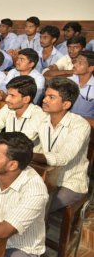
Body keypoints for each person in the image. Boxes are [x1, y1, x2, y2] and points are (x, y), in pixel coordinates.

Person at [33, 78, 91, 213]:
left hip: (69, 182)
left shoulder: (79, 125)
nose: (44, 100)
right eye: (46, 95)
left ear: (66, 104)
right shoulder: (42, 118)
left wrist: (27, 154)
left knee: (38, 207)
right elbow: (26, 140)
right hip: (46, 176)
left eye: (51, 97)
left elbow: (63, 157)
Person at [0, 76, 45, 147]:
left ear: (26, 99)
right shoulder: (7, 108)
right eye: (7, 94)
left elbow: (21, 144)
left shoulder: (39, 116)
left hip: (31, 156)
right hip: (7, 152)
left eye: (12, 96)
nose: (7, 99)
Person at [68, 50, 94, 117]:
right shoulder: (69, 81)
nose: (74, 65)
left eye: (80, 63)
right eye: (76, 61)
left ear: (91, 68)